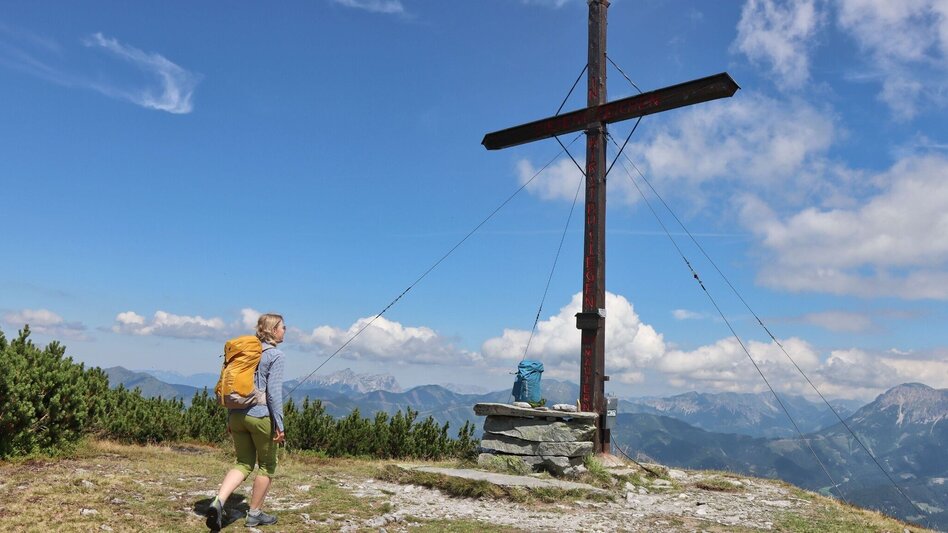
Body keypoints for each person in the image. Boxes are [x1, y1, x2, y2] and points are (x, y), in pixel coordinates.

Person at [206, 314, 286, 530]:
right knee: (267, 465)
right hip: (260, 416)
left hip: (237, 415)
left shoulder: (244, 353)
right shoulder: (275, 355)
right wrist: (279, 425)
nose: (284, 331)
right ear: (273, 330)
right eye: (283, 327)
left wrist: (230, 417)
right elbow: (273, 394)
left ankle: (218, 501)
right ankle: (255, 514)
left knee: (243, 462)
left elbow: (233, 388)